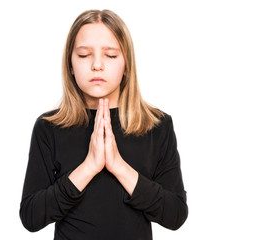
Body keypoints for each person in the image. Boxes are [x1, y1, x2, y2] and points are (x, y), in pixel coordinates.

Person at [19, 9, 188, 240]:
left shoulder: (157, 126)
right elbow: (31, 217)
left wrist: (118, 166)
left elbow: (175, 215)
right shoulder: (49, 127)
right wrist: (89, 166)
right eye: (84, 55)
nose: (97, 65)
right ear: (70, 63)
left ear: (126, 63)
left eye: (110, 55)